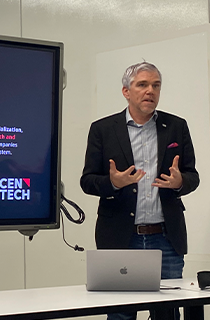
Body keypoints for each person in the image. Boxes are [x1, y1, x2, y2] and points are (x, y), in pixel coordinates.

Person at [80, 62, 199, 320]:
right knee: (121, 314)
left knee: (167, 315)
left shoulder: (176, 126)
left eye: (156, 85)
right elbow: (87, 181)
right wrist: (114, 183)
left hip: (165, 238)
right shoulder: (103, 129)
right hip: (121, 239)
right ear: (126, 91)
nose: (150, 91)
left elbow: (193, 176)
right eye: (142, 84)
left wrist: (179, 182)